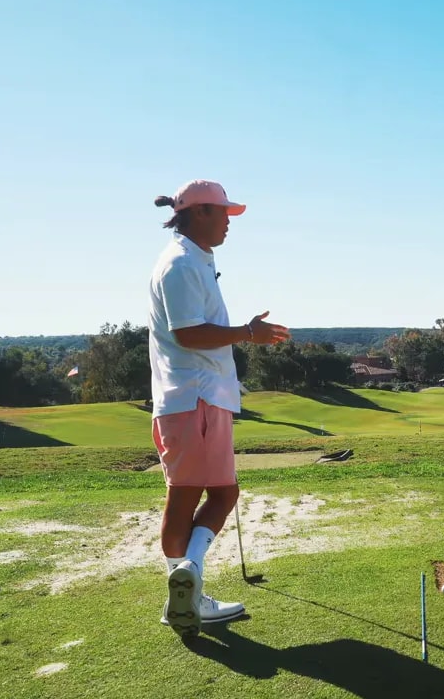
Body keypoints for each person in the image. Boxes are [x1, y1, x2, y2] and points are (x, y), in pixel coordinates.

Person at [148, 179, 290, 637]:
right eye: (223, 213)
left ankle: (183, 587)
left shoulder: (192, 261)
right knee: (201, 496)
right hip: (197, 399)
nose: (230, 221)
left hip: (191, 400)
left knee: (204, 494)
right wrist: (247, 333)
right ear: (200, 213)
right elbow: (189, 333)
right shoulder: (182, 264)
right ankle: (186, 582)